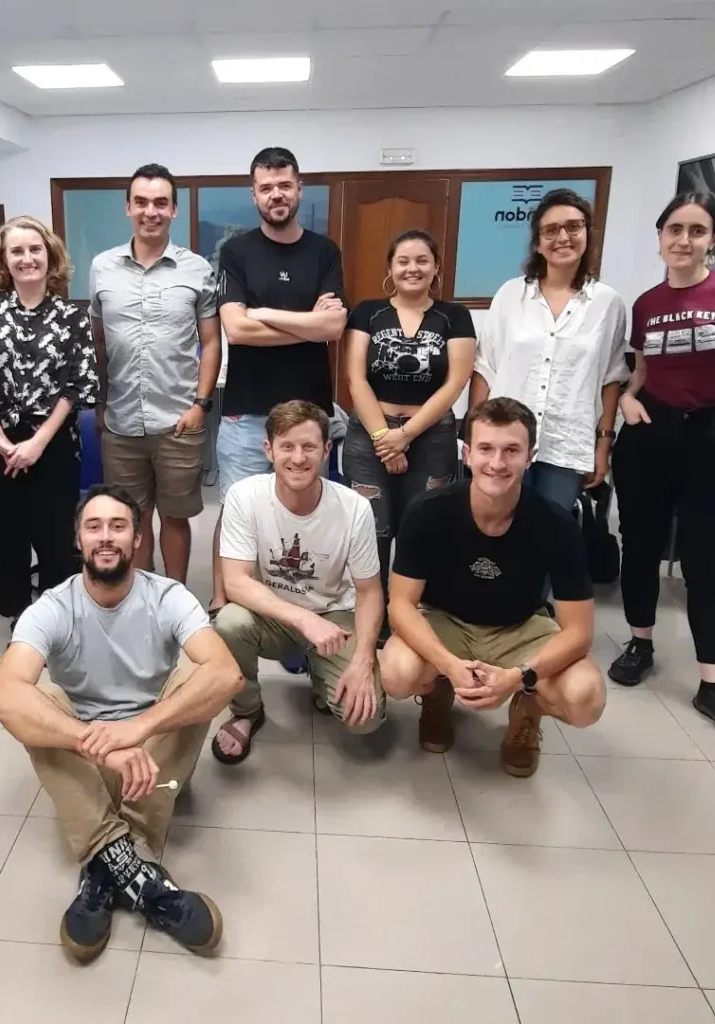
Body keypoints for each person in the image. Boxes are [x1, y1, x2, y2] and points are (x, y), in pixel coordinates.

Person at [0, 484, 241, 963]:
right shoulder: (53, 607)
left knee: (201, 676)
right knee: (31, 697)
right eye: (94, 527)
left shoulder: (169, 596)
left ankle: (102, 868)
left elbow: (226, 675)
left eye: (118, 526)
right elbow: (2, 698)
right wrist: (97, 742)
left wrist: (139, 729)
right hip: (86, 760)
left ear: (138, 539)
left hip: (157, 756)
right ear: (78, 541)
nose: (106, 537)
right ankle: (138, 873)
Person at [608, 192, 715, 750]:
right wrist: (628, 398)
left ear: (713, 239)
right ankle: (640, 643)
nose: (683, 239)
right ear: (659, 238)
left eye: (696, 231)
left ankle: (714, 683)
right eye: (674, 229)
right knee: (641, 545)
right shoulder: (646, 303)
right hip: (652, 432)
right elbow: (642, 369)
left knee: (707, 561)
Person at [380, 398, 605, 777]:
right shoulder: (428, 511)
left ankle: (527, 710)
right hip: (445, 621)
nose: (497, 463)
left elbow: (579, 633)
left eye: (511, 450)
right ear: (466, 454)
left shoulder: (557, 524)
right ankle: (437, 692)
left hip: (521, 626)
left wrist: (519, 677)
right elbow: (400, 606)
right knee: (397, 673)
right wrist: (447, 665)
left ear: (530, 457)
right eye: (485, 448)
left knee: (586, 699)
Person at [210, 146, 347, 616]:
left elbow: (333, 329)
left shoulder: (325, 251)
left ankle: (301, 612)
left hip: (309, 419)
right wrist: (305, 321)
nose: (276, 194)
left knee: (304, 520)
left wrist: (264, 313)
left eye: (284, 185)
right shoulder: (236, 252)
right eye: (266, 187)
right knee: (237, 517)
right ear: (254, 195)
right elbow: (236, 329)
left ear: (298, 189)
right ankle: (224, 604)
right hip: (247, 414)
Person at [212, 401, 386, 762]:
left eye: (309, 447)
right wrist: (304, 619)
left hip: (335, 618)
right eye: (287, 446)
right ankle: (247, 710)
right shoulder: (244, 496)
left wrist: (363, 661)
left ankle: (323, 679)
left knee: (365, 720)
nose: (297, 458)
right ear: (268, 449)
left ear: (326, 451)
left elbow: (370, 592)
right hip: (276, 616)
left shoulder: (355, 508)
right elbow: (236, 583)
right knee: (228, 622)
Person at [0, 216, 97, 627]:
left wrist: (38, 442)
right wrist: (1, 440)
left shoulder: (71, 316)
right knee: (5, 536)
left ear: (50, 256)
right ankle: (19, 617)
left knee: (55, 538)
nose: (28, 258)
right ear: (4, 259)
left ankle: (56, 619)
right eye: (17, 251)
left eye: (35, 249)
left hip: (53, 445)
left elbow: (78, 385)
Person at [89, 164, 221, 584]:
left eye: (160, 203)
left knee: (175, 517)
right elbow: (98, 343)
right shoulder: (102, 267)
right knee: (133, 517)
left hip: (179, 419)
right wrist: (101, 401)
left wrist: (201, 404)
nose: (151, 211)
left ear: (174, 210)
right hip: (121, 422)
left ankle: (175, 596)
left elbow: (212, 342)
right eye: (141, 202)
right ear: (128, 207)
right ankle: (143, 597)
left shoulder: (196, 269)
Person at [344, 229, 476, 642]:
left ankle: (414, 619)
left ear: (436, 268)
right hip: (370, 434)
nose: (412, 268)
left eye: (422, 260)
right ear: (390, 268)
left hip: (432, 436)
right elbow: (354, 378)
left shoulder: (454, 317)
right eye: (403, 261)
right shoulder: (367, 312)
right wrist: (386, 436)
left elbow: (456, 381)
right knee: (374, 530)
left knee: (423, 527)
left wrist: (407, 436)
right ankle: (375, 620)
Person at [471, 188, 628, 512]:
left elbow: (611, 377)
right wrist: (474, 438)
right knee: (496, 528)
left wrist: (603, 444)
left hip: (567, 443)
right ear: (538, 241)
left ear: (587, 233)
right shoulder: (511, 294)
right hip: (504, 441)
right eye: (551, 229)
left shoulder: (607, 303)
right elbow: (485, 367)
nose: (563, 237)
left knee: (551, 534)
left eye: (573, 227)